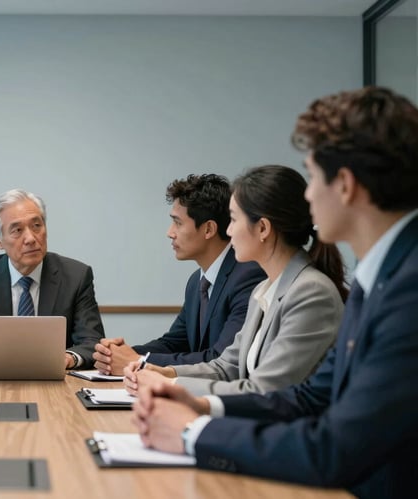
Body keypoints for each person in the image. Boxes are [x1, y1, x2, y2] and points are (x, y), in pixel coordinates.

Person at [131, 87, 418, 499]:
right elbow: (307, 397)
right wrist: (200, 404)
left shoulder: (406, 290)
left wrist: (193, 432)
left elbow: (333, 448)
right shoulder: (378, 280)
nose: (308, 195)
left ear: (345, 185)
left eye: (312, 176)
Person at [124, 165, 345, 396]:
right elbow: (226, 367)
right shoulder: (264, 289)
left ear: (262, 228)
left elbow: (265, 390)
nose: (228, 231)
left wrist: (169, 385)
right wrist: (164, 373)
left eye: (233, 220)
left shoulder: (311, 292)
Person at [93, 174, 265, 375]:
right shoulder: (196, 281)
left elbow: (220, 359)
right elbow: (174, 342)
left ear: (208, 229)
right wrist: (117, 354)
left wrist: (138, 361)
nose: (170, 232)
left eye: (178, 223)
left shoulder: (248, 276)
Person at [0, 188, 105, 370]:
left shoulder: (76, 276)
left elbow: (92, 341)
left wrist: (68, 359)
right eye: (17, 230)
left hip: (57, 380)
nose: (30, 238)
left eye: (37, 226)